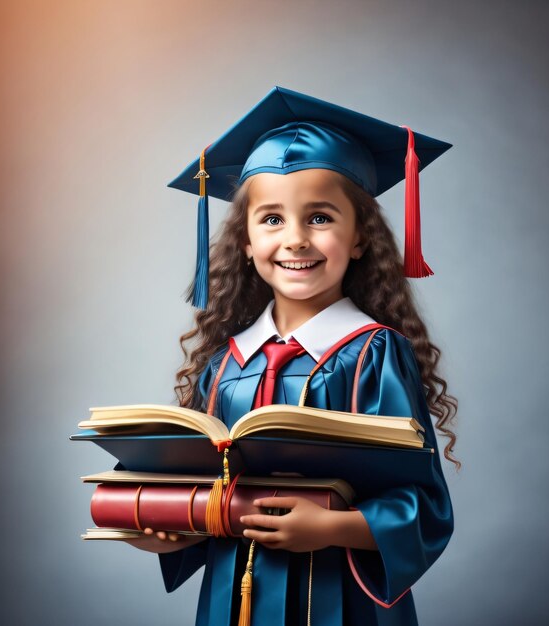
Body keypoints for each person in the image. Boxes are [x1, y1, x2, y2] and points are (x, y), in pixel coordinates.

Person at [128, 87, 458, 626]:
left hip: (343, 599)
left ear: (359, 239)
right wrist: (162, 533)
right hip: (234, 596)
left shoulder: (375, 354)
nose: (297, 240)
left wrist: (332, 527)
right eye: (272, 220)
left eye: (321, 218)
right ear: (246, 242)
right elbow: (198, 497)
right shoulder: (223, 365)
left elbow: (424, 505)